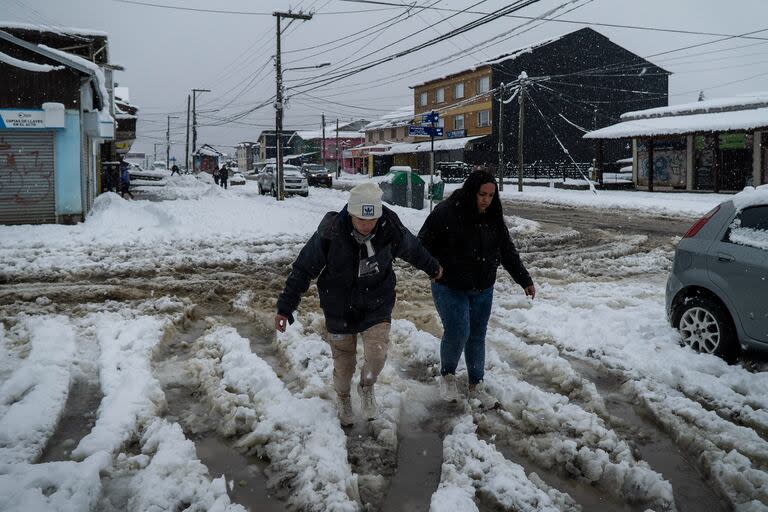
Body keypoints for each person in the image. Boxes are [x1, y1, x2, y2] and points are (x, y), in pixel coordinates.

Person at [275, 182, 442, 426]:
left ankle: (367, 387)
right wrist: (284, 307)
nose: (367, 226)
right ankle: (343, 397)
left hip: (377, 300)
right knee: (344, 365)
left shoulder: (389, 226)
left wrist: (433, 267)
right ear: (350, 214)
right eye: (361, 220)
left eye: (372, 220)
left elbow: (413, 249)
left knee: (377, 354)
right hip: (338, 305)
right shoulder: (330, 231)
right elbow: (303, 269)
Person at [418, 170, 535, 409]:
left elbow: (506, 250)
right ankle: (448, 376)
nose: (486, 200)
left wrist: (524, 279)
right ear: (472, 191)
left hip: (483, 287)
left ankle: (476, 385)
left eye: (491, 195)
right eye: (482, 194)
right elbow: (422, 244)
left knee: (477, 335)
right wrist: (434, 269)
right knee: (459, 330)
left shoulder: (493, 216)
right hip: (450, 285)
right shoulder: (447, 212)